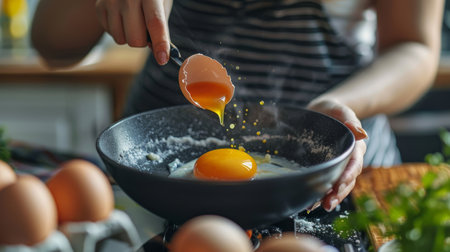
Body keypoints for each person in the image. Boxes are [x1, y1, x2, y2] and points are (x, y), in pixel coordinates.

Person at [31, 0, 444, 212]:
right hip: (150, 183)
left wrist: (339, 105)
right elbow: (52, 43)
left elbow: (414, 45)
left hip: (333, 172)